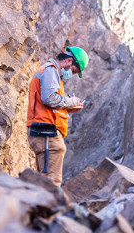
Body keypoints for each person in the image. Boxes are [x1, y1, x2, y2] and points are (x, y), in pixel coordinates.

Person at [26, 46, 89, 186]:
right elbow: (49, 98)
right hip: (46, 132)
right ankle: (45, 207)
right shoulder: (50, 70)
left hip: (45, 131)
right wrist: (70, 101)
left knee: (44, 180)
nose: (71, 75)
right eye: (73, 71)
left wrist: (70, 107)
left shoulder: (51, 72)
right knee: (50, 182)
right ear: (68, 61)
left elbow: (50, 105)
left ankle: (39, 206)